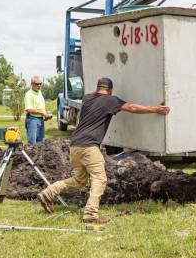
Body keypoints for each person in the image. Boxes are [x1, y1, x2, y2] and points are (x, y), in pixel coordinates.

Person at [36, 77, 170, 224]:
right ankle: (91, 215)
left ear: (98, 88)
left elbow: (95, 93)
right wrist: (155, 109)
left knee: (79, 180)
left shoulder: (87, 98)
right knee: (100, 179)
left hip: (75, 145)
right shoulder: (110, 100)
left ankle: (48, 193)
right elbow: (131, 108)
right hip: (89, 147)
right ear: (110, 90)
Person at [24, 75, 52, 144]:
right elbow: (29, 109)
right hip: (32, 120)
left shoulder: (39, 92)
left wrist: (46, 115)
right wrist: (42, 113)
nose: (39, 85)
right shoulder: (29, 94)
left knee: (40, 142)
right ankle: (30, 155)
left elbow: (39, 106)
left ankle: (39, 155)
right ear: (32, 84)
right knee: (32, 143)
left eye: (40, 84)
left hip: (40, 119)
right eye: (37, 84)